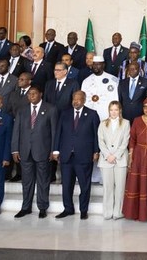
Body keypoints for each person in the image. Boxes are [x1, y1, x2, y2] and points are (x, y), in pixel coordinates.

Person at [11, 86, 58, 219]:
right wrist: (15, 149)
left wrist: (53, 150)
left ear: (40, 94)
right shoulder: (22, 110)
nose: (31, 96)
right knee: (27, 182)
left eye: (34, 93)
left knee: (43, 181)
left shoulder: (50, 109)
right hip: (25, 151)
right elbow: (16, 131)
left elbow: (54, 131)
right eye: (29, 94)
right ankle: (26, 207)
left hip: (43, 151)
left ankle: (42, 207)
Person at [53, 91, 100, 219]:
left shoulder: (92, 114)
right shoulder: (65, 113)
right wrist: (56, 150)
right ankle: (68, 208)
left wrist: (96, 151)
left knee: (85, 185)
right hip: (66, 155)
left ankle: (83, 210)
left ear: (84, 100)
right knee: (67, 184)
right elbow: (59, 132)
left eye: (79, 99)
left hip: (84, 155)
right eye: (74, 99)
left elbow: (96, 135)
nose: (76, 101)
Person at [98, 101, 130, 220]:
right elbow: (101, 142)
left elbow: (125, 141)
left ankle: (118, 211)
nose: (114, 112)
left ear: (120, 111)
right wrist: (108, 155)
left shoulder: (126, 123)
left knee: (120, 187)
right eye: (111, 110)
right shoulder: (102, 124)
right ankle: (107, 211)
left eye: (116, 110)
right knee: (107, 187)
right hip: (106, 160)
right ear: (108, 110)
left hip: (120, 159)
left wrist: (115, 155)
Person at [81, 55, 119, 122]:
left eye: (98, 64)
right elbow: (83, 100)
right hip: (90, 117)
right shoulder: (86, 81)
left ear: (103, 65)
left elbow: (116, 99)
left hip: (107, 116)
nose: (95, 67)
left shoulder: (113, 80)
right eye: (94, 64)